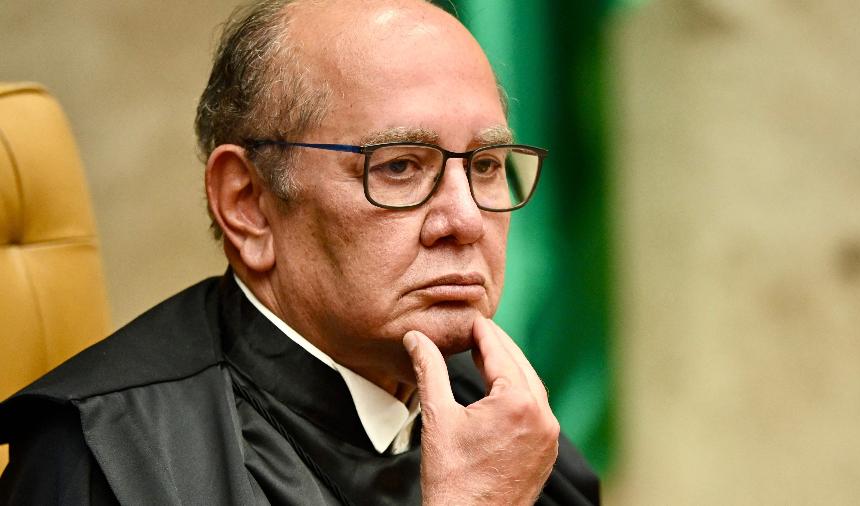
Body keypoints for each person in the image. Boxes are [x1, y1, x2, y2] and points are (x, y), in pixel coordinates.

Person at [0, 0, 600, 504]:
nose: (465, 220)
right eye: (398, 167)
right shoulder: (112, 459)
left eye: (486, 165)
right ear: (249, 204)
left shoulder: (508, 418)